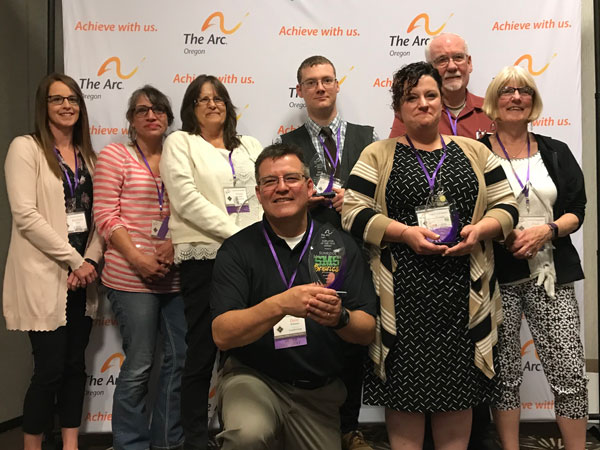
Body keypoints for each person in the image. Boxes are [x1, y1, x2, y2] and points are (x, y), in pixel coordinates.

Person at [342, 62, 518, 450]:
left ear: (442, 100)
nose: (422, 103)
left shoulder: (475, 151)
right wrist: (404, 233)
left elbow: (507, 207)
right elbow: (352, 211)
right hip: (402, 300)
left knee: (457, 402)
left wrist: (480, 231)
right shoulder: (377, 154)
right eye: (411, 98)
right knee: (405, 402)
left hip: (463, 298)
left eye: (430, 95)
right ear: (398, 108)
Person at [210, 142, 377, 450]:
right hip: (254, 379)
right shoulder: (236, 250)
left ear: (309, 186)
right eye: (270, 182)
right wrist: (280, 304)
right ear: (259, 194)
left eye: (291, 178)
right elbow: (222, 334)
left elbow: (366, 330)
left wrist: (341, 318)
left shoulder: (340, 246)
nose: (281, 188)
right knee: (247, 435)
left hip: (317, 392)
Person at [480, 66, 588, 450]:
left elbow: (578, 207)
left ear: (533, 101)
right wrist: (501, 231)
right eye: (507, 91)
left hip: (552, 274)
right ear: (493, 102)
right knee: (505, 374)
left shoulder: (555, 150)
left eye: (524, 91)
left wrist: (549, 230)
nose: (516, 97)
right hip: (497, 276)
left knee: (570, 372)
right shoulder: (476, 152)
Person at [279, 55, 377, 450]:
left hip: (357, 251)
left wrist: (351, 198)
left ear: (337, 86)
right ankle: (307, 424)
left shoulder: (366, 136)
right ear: (300, 91)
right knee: (312, 335)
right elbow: (280, 196)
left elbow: (378, 194)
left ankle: (349, 427)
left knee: (353, 336)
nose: (320, 87)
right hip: (306, 250)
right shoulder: (288, 144)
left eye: (326, 80)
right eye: (311, 82)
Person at [160, 75, 263, 450]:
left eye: (219, 97)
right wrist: (237, 235)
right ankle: (194, 438)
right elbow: (186, 199)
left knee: (246, 349)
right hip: (205, 258)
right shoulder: (180, 143)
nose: (212, 104)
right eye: (203, 99)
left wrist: (255, 243)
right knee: (202, 350)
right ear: (192, 108)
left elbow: (264, 192)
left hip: (251, 259)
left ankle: (240, 430)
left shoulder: (250, 145)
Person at [3, 73, 103, 450]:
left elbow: (101, 217)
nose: (67, 106)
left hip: (81, 278)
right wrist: (75, 260)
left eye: (73, 99)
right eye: (57, 99)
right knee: (48, 371)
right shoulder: (25, 149)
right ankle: (31, 445)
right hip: (44, 276)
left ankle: (70, 444)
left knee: (74, 368)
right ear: (42, 106)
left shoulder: (90, 158)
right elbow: (25, 215)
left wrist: (89, 260)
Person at [93, 86, 186, 450]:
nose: (152, 115)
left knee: (180, 361)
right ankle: (129, 443)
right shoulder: (116, 155)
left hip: (176, 275)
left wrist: (175, 245)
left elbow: (190, 209)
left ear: (168, 117)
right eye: (143, 110)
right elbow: (105, 215)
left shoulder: (179, 156)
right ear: (131, 119)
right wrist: (139, 259)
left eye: (159, 109)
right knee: (140, 364)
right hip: (129, 277)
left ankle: (168, 442)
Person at [389, 33, 492, 140]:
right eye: (442, 60)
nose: (452, 67)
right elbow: (395, 153)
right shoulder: (414, 111)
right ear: (430, 68)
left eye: (458, 57)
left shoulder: (491, 110)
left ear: (469, 63)